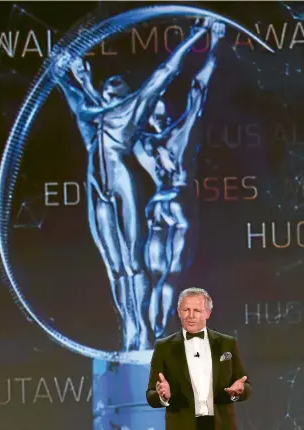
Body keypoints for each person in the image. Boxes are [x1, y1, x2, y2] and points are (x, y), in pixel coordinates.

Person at [50, 19, 213, 351]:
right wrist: (61, 63)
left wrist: (197, 35)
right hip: (96, 189)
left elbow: (164, 74)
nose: (112, 85)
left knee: (133, 263)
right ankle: (130, 330)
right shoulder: (88, 114)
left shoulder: (128, 111)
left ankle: (141, 334)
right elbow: (62, 83)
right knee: (116, 267)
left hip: (121, 184)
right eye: (108, 84)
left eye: (118, 84)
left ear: (125, 94)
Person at [135, 22, 225, 340]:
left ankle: (153, 335)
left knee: (158, 278)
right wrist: (214, 43)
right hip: (179, 203)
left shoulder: (142, 143)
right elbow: (198, 90)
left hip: (158, 204)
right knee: (170, 278)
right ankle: (157, 339)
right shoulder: (179, 133)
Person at [146, 287, 251, 430]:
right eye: (186, 310)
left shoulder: (227, 343)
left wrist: (239, 391)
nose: (191, 315)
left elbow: (245, 385)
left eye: (197, 310)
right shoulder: (164, 347)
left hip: (221, 425)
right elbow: (151, 394)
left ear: (208, 313)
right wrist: (163, 397)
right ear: (178, 312)